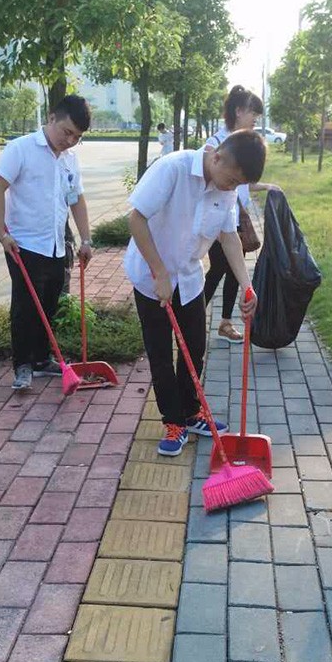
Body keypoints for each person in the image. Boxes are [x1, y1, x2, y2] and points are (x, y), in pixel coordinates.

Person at [125, 129, 267, 456]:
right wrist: (159, 271)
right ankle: (172, 421)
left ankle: (191, 412)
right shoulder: (172, 169)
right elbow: (136, 219)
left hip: (188, 277)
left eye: (236, 185)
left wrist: (247, 286)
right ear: (216, 156)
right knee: (160, 354)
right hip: (151, 275)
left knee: (194, 348)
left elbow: (228, 236)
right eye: (230, 180)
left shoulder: (224, 185)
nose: (230, 188)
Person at [0, 95, 93, 390]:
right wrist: (2, 234)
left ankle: (41, 359)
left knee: (48, 303)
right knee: (25, 307)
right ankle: (22, 365)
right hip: (22, 244)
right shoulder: (20, 149)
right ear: (51, 118)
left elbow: (76, 199)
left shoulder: (70, 159)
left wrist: (85, 238)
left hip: (55, 244)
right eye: (67, 132)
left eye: (77, 136)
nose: (70, 140)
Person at [203, 86, 277, 343]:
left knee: (236, 270)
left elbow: (243, 182)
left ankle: (224, 323)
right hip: (216, 219)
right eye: (252, 112)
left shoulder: (247, 146)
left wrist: (267, 187)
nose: (256, 118)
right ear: (238, 111)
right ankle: (192, 313)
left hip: (236, 220)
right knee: (220, 267)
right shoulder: (216, 144)